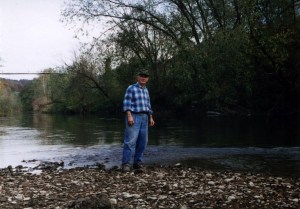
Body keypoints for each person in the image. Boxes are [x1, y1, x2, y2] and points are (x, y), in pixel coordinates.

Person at [121, 68, 155, 172]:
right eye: (141, 76)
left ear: (147, 79)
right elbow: (126, 103)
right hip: (134, 116)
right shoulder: (131, 88)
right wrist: (129, 116)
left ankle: (137, 162)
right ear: (138, 77)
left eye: (145, 76)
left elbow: (148, 105)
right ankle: (125, 164)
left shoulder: (146, 90)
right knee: (130, 141)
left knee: (143, 142)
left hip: (145, 117)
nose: (143, 78)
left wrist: (151, 117)